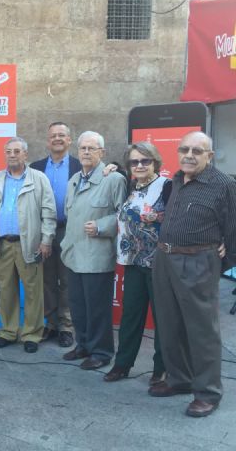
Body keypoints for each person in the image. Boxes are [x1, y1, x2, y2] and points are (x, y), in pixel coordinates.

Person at [149, 131, 236, 418]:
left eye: (197, 151)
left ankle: (208, 393)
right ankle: (179, 380)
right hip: (164, 258)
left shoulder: (224, 185)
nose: (189, 155)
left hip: (198, 261)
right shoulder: (175, 179)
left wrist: (220, 261)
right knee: (169, 324)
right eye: (184, 149)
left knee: (202, 330)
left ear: (209, 156)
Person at [0, 137, 57, 353]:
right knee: (6, 290)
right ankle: (8, 332)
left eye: (17, 151)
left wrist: (46, 240)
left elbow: (48, 212)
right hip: (2, 244)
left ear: (25, 154)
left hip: (30, 244)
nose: (12, 155)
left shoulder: (39, 178)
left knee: (34, 291)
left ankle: (32, 334)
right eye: (8, 151)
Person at [60, 131, 126, 370]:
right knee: (77, 305)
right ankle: (84, 345)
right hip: (74, 253)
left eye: (92, 148)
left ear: (102, 153)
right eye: (83, 148)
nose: (86, 152)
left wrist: (101, 226)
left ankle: (102, 351)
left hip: (97, 255)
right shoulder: (74, 179)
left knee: (97, 307)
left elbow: (124, 215)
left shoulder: (114, 180)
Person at [104, 142, 168, 385]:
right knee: (130, 316)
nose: (139, 165)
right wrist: (116, 168)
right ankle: (122, 365)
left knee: (162, 320)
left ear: (155, 163)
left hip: (158, 264)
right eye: (134, 162)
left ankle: (161, 369)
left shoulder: (167, 186)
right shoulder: (131, 185)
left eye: (145, 161)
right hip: (132, 263)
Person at [30, 122, 81, 348]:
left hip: (70, 231)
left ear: (69, 140)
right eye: (53, 136)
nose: (57, 139)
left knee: (67, 281)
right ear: (47, 141)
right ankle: (50, 324)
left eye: (62, 135)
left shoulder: (81, 167)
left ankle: (66, 326)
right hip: (44, 232)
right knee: (47, 280)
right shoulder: (36, 168)